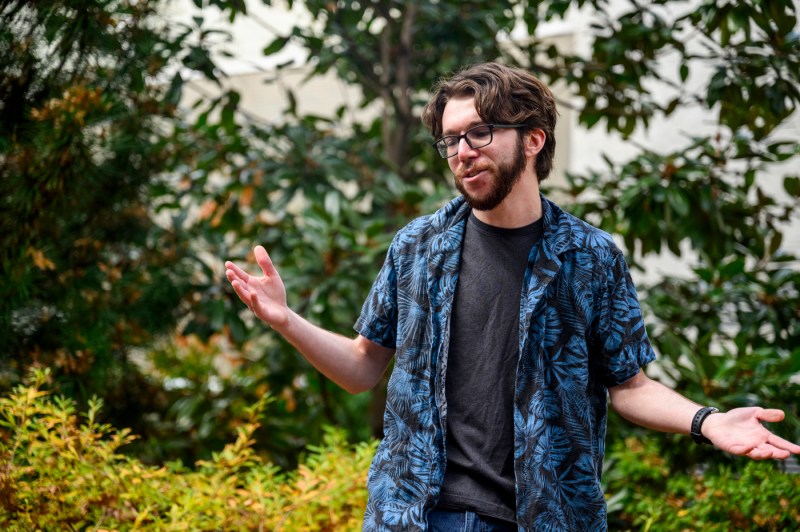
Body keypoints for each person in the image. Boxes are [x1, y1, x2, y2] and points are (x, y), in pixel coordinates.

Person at [225, 62, 800, 531]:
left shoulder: (591, 257)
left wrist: (709, 421)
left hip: (545, 517)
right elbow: (362, 368)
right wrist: (285, 321)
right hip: (417, 516)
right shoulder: (418, 247)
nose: (462, 151)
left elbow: (630, 387)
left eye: (479, 133)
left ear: (533, 139)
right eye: (451, 140)